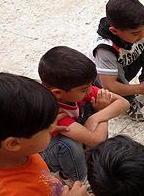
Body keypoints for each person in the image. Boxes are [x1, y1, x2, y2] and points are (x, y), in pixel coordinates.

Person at [39, 46, 129, 181]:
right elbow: (97, 140)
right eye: (84, 90)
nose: (89, 91)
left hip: (80, 131)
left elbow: (123, 103)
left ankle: (88, 155)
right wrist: (101, 110)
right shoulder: (55, 112)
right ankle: (79, 180)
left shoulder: (75, 88)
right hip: (50, 152)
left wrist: (95, 117)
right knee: (69, 144)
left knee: (96, 106)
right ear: (57, 93)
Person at [88, 0, 144, 122]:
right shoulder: (105, 49)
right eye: (135, 33)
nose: (141, 34)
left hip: (129, 62)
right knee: (114, 69)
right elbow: (109, 86)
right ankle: (127, 101)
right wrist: (138, 89)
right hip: (108, 81)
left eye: (143, 29)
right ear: (115, 31)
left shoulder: (140, 30)